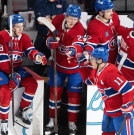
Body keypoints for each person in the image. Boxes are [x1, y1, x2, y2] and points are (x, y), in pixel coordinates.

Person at [0, 14, 47, 135]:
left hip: (15, 68)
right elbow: (2, 60)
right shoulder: (2, 36)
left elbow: (30, 50)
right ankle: (4, 122)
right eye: (18, 26)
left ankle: (23, 109)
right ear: (11, 27)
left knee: (32, 83)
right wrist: (14, 75)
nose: (21, 29)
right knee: (5, 91)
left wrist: (38, 56)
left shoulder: (23, 37)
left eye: (22, 26)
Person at [44, 4, 85, 135]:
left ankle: (71, 123)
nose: (72, 21)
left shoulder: (79, 28)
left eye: (75, 19)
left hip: (75, 67)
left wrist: (73, 50)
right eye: (70, 18)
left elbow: (78, 44)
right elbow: (48, 35)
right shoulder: (57, 20)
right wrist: (50, 42)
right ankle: (51, 121)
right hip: (58, 65)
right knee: (54, 94)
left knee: (74, 96)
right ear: (66, 16)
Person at [85, 47, 134, 135]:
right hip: (109, 110)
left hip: (120, 113)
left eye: (92, 59)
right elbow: (88, 80)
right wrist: (80, 65)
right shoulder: (97, 70)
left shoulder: (110, 73)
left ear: (100, 60)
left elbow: (128, 89)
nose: (90, 61)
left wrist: (128, 105)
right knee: (107, 132)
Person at [33, 0, 69, 76]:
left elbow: (67, 20)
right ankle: (37, 86)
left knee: (61, 67)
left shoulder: (63, 2)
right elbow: (40, 20)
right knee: (38, 67)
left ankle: (57, 86)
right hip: (43, 39)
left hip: (59, 40)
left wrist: (51, 18)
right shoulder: (40, 2)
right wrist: (57, 18)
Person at [83, 0, 120, 65]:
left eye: (112, 9)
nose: (112, 13)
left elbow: (118, 29)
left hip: (115, 60)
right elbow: (90, 43)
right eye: (108, 11)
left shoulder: (114, 16)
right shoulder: (95, 26)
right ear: (101, 13)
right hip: (102, 64)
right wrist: (87, 52)